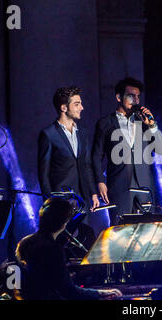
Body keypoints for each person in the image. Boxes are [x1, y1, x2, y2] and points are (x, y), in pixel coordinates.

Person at [15, 197, 122, 300]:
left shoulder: (25, 242)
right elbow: (68, 291)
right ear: (64, 223)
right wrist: (99, 293)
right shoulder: (53, 249)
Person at [91, 77, 161, 226]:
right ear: (119, 97)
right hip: (119, 184)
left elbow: (160, 149)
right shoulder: (105, 123)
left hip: (144, 184)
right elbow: (96, 156)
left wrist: (152, 126)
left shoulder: (143, 122)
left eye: (137, 96)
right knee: (120, 230)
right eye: (131, 96)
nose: (135, 100)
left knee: (147, 229)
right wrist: (100, 182)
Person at [38, 86, 99, 228]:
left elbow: (87, 166)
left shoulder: (83, 133)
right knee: (62, 241)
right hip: (61, 200)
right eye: (77, 104)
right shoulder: (48, 134)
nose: (82, 108)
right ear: (64, 108)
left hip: (81, 198)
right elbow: (43, 173)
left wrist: (93, 193)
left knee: (83, 238)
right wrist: (50, 202)